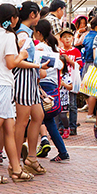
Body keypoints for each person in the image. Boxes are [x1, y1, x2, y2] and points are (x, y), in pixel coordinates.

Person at [0, 4, 34, 184]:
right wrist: (22, 55)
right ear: (12, 18)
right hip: (1, 86)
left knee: (8, 129)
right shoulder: (10, 36)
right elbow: (11, 63)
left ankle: (16, 169)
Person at [12, 2, 49, 176]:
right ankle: (16, 162)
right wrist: (37, 65)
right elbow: (17, 59)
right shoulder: (23, 34)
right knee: (22, 120)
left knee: (37, 116)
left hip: (30, 80)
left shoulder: (23, 32)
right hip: (24, 79)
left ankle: (30, 158)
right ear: (33, 14)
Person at [36, 20, 70, 163]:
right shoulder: (54, 46)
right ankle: (62, 152)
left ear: (38, 32)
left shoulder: (40, 47)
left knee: (34, 118)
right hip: (53, 85)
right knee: (48, 121)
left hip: (43, 85)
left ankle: (27, 151)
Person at [59, 28, 82, 137]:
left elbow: (80, 65)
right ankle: (61, 126)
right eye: (65, 37)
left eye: (69, 37)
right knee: (60, 104)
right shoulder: (59, 51)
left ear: (73, 38)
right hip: (61, 81)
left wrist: (69, 60)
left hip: (72, 81)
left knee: (72, 104)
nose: (67, 39)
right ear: (61, 39)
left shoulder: (76, 51)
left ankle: (73, 126)